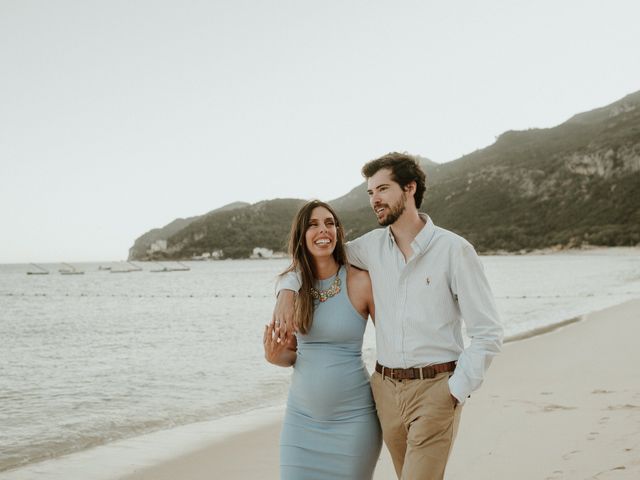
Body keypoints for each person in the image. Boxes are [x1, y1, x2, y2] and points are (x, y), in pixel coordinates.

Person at [275, 153, 504, 479]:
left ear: (409, 188)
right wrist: (286, 290)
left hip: (435, 389)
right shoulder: (369, 248)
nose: (375, 200)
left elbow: (488, 332)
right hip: (384, 391)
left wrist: (455, 390)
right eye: (370, 193)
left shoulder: (455, 250)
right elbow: (317, 254)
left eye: (382, 189)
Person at [263, 200, 382, 479]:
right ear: (301, 236)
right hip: (300, 422)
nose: (323, 230)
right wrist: (274, 357)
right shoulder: (294, 287)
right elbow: (292, 356)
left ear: (338, 231)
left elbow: (391, 342)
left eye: (329, 223)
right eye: (313, 225)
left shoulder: (361, 282)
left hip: (354, 422)